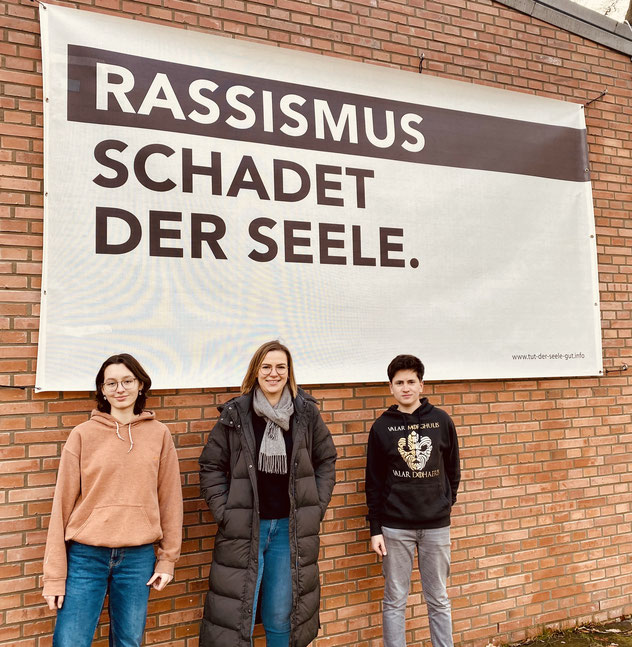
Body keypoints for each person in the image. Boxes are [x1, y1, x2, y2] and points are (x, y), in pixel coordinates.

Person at [199, 340, 337, 647]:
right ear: (256, 371)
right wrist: (225, 513)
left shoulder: (305, 414)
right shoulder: (237, 414)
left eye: (281, 367)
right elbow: (210, 465)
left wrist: (314, 505)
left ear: (289, 372)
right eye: (266, 366)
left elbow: (326, 459)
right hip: (246, 530)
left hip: (289, 531)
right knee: (238, 620)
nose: (273, 373)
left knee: (280, 617)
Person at [42, 353, 183, 647]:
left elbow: (170, 501)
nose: (120, 389)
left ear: (141, 385)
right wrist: (54, 576)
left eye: (127, 381)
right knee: (70, 642)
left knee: (128, 641)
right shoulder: (82, 435)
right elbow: (61, 508)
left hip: (138, 558)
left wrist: (167, 559)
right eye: (112, 383)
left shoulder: (159, 435)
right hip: (85, 557)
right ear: (102, 390)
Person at [365, 354, 460, 647]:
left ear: (421, 384)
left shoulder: (441, 421)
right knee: (395, 600)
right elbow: (374, 482)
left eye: (411, 381)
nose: (405, 388)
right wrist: (376, 529)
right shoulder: (381, 427)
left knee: (439, 599)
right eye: (399, 383)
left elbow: (453, 471)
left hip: (435, 526)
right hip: (395, 528)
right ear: (391, 388)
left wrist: (444, 503)